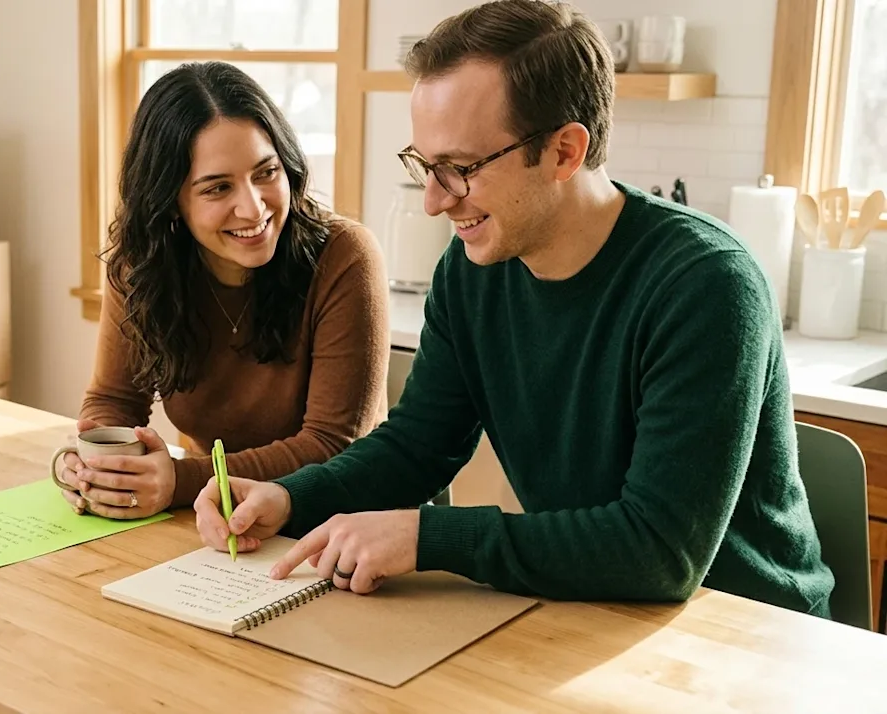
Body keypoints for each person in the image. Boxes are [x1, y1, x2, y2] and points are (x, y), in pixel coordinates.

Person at [191, 0, 837, 618]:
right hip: (595, 611)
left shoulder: (705, 286)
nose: (435, 202)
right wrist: (289, 497)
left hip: (746, 636)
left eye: (460, 168)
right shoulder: (474, 273)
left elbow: (661, 552)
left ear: (565, 151)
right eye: (426, 165)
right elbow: (418, 447)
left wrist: (427, 537)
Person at [55, 61, 391, 520]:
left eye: (266, 173)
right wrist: (97, 468)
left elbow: (332, 445)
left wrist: (180, 481)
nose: (253, 208)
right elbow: (115, 401)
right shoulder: (144, 265)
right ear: (169, 201)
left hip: (342, 517)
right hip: (218, 516)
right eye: (217, 188)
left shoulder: (345, 256)